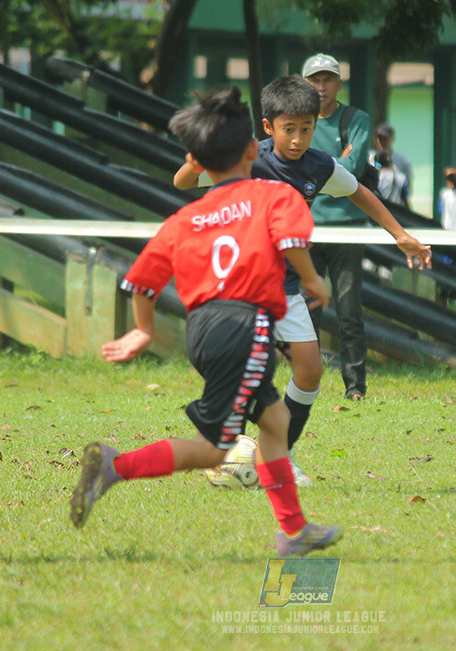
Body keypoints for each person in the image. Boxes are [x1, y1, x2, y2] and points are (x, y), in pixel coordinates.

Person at [71, 87, 342, 557]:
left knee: (275, 420)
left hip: (204, 330)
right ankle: (116, 465)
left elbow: (141, 281)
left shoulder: (186, 216)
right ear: (253, 150)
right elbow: (290, 236)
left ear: (196, 160)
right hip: (246, 328)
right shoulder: (274, 194)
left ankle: (294, 532)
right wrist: (313, 279)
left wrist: (144, 330)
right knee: (216, 449)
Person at [174, 75, 431, 485]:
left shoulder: (319, 166)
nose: (297, 139)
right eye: (288, 129)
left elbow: (360, 192)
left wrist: (400, 235)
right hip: (238, 289)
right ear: (267, 126)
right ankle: (227, 446)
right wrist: (198, 157)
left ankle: (279, 455)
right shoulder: (245, 158)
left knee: (310, 370)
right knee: (247, 372)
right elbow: (183, 182)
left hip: (286, 285)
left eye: (306, 129)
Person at [302, 53, 375, 400]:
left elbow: (355, 167)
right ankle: (307, 383)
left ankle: (355, 387)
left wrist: (314, 168)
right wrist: (336, 164)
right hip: (306, 231)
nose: (321, 87)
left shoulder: (355, 119)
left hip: (348, 229)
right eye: (314, 80)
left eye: (327, 79)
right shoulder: (299, 121)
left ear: (338, 84)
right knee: (306, 310)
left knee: (349, 310)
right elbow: (295, 165)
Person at [373, 122, 414, 196]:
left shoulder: (403, 160)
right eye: (379, 138)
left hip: (395, 202)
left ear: (392, 138)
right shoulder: (370, 157)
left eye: (385, 139)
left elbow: (408, 187)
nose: (381, 142)